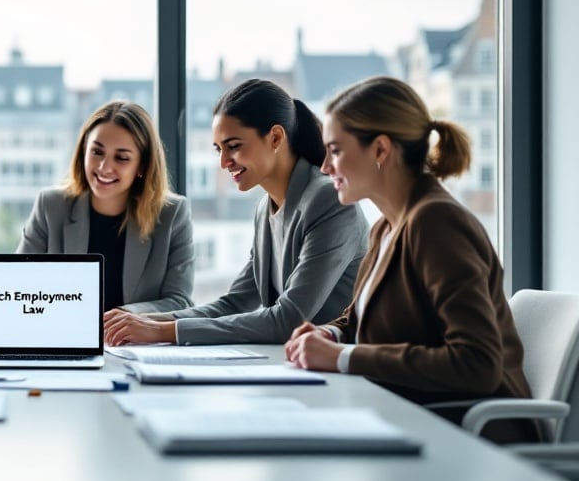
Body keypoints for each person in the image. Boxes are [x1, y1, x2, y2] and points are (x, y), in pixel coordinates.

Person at [284, 76, 541, 444]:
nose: (325, 166)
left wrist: (342, 357)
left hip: (471, 434)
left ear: (381, 150)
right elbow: (360, 318)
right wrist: (331, 332)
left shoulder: (436, 222)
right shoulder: (387, 226)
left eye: (336, 150)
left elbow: (476, 364)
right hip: (415, 416)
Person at [103, 80, 367, 345]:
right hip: (294, 365)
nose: (223, 162)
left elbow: (288, 320)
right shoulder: (265, 209)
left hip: (337, 369)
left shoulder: (328, 199)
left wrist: (163, 332)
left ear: (275, 137)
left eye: (234, 146)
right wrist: (142, 319)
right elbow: (233, 304)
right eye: (219, 149)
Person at [17, 101, 194, 314]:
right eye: (97, 152)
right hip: (65, 339)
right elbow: (18, 284)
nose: (104, 167)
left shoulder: (172, 214)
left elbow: (179, 301)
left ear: (142, 166)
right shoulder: (51, 206)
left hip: (134, 344)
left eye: (121, 158)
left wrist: (125, 317)